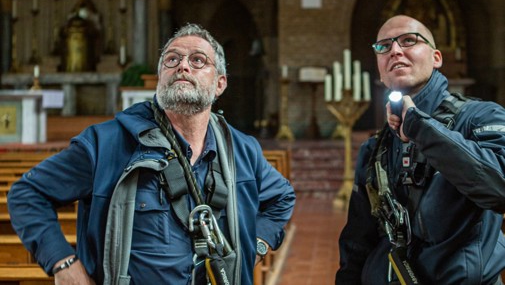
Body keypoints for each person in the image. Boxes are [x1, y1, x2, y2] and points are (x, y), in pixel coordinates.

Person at [8, 24, 296, 285]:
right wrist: (63, 263)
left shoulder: (242, 150)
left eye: (198, 60)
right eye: (172, 60)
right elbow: (27, 193)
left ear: (219, 83)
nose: (183, 66)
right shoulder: (104, 144)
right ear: (161, 77)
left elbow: (282, 198)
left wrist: (256, 245)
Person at [335, 15, 505, 284]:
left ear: (436, 57)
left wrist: (420, 127)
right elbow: (358, 243)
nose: (395, 51)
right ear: (380, 68)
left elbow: (499, 188)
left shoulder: (480, 117)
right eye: (384, 46)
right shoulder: (374, 148)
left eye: (408, 40)